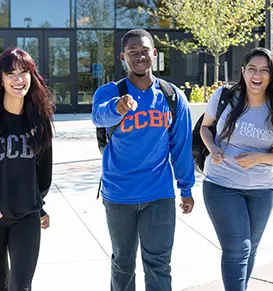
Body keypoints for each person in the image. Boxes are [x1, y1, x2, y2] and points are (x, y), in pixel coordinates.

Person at [92, 29, 195, 291]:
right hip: (118, 195)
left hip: (159, 194)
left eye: (144, 51)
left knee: (159, 266)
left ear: (155, 54)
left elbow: (181, 147)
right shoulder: (109, 92)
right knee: (123, 264)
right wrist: (118, 107)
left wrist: (186, 188)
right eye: (132, 52)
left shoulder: (172, 96)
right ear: (122, 57)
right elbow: (99, 117)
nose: (139, 57)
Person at [200, 47, 273, 291]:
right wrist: (212, 147)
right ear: (243, 71)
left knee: (250, 248)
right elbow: (205, 128)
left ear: (272, 75)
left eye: (264, 70)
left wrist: (260, 158)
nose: (257, 75)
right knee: (238, 248)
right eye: (252, 69)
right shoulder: (225, 96)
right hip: (222, 185)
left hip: (264, 190)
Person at [0, 47, 55, 291]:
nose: (18, 79)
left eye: (23, 72)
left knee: (21, 285)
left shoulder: (39, 120)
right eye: (10, 73)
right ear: (1, 79)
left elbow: (43, 172)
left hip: (26, 217)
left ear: (32, 76)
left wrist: (38, 205)